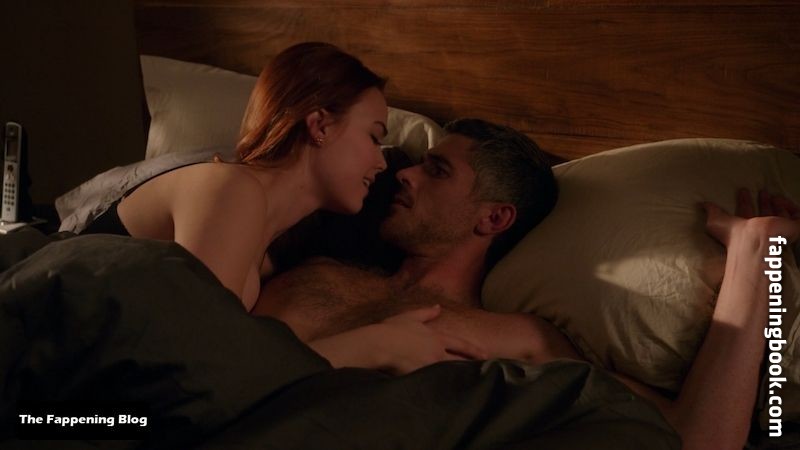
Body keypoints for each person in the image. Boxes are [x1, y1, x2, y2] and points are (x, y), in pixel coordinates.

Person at [252, 118, 800, 450]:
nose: (405, 172)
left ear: (494, 218)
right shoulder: (313, 270)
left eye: (437, 171)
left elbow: (699, 439)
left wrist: (758, 252)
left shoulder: (519, 339)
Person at [81, 42, 391, 312]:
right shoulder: (231, 189)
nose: (382, 163)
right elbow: (198, 347)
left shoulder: (265, 253)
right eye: (374, 137)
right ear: (320, 126)